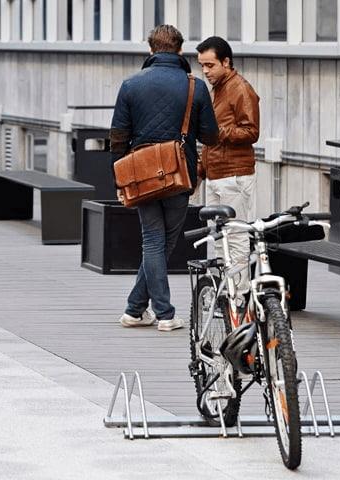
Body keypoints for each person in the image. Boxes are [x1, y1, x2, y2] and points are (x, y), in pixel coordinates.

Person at [110, 25, 219, 332]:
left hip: (141, 176)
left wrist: (120, 180)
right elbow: (211, 137)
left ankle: (135, 309)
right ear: (180, 51)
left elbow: (118, 138)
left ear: (151, 50)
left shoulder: (131, 85)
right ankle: (165, 314)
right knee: (162, 242)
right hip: (179, 174)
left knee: (154, 241)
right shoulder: (194, 86)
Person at [196, 36, 260, 311]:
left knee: (235, 239)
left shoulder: (240, 89)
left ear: (226, 61)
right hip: (217, 175)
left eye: (210, 65)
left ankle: (240, 298)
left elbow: (251, 131)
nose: (206, 71)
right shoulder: (219, 89)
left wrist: (218, 132)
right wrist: (199, 172)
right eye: (202, 66)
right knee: (219, 238)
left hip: (234, 175)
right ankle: (228, 293)